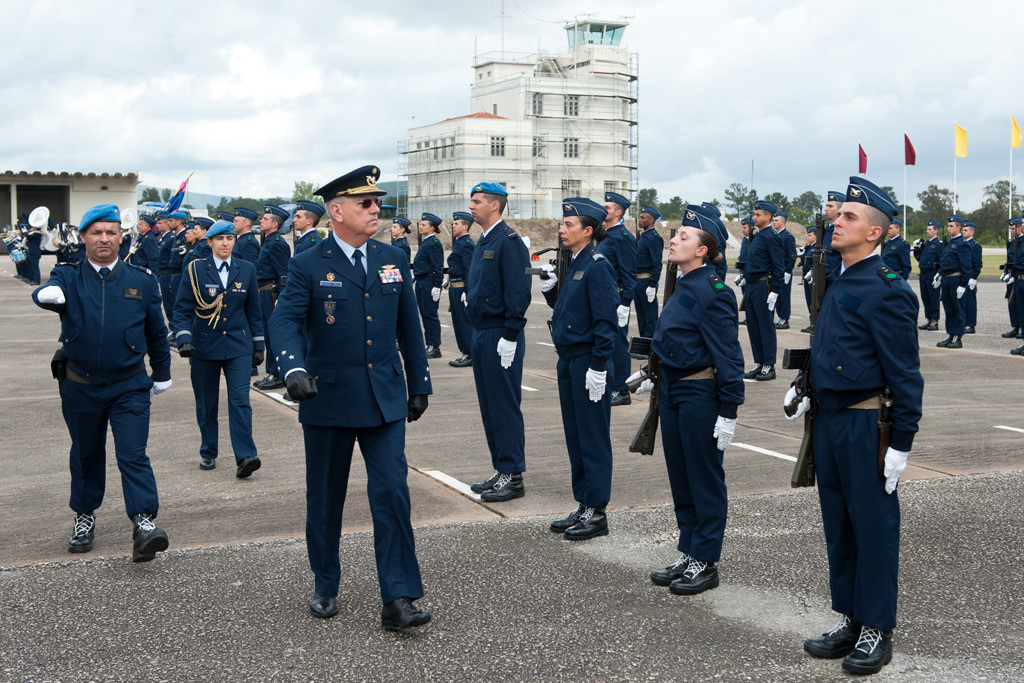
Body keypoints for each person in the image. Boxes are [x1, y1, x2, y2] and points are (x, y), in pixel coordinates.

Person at [268, 165, 432, 630]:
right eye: (365, 203)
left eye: (377, 201)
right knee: (325, 498)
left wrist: (419, 382)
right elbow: (283, 322)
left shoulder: (393, 257)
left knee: (392, 493)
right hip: (329, 399)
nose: (375, 209)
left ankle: (398, 597)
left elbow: (409, 327)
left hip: (384, 399)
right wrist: (293, 366)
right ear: (336, 211)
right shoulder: (308, 263)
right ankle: (325, 581)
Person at [790, 177, 922, 676]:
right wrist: (806, 384)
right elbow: (833, 348)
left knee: (873, 529)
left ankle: (876, 628)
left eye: (848, 217)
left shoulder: (886, 289)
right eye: (837, 214)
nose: (835, 221)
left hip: (867, 427)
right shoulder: (839, 278)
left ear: (874, 234)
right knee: (839, 528)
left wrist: (901, 442)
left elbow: (905, 373)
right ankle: (849, 618)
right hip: (829, 420)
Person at [32, 204, 172, 562]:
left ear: (121, 237)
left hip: (129, 386)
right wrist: (46, 296)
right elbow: (47, 291)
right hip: (81, 385)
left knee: (132, 453)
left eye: (111, 232)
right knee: (85, 453)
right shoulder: (68, 276)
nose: (105, 239)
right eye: (96, 232)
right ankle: (84, 515)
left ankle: (143, 522)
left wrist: (162, 372)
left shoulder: (140, 281)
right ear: (83, 238)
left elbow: (156, 333)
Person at [637, 208, 744, 597]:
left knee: (704, 478)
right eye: (675, 234)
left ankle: (706, 560)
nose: (674, 240)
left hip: (700, 394)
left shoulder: (714, 293)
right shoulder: (682, 284)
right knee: (681, 478)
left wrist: (729, 411)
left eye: (683, 236)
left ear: (703, 250)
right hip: (674, 391)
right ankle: (689, 549)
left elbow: (729, 356)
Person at [540, 198, 618, 540]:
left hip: (588, 360)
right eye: (561, 223)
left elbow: (605, 321)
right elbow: (570, 310)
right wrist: (549, 293)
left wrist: (599, 366)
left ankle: (597, 510)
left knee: (592, 436)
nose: (561, 229)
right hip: (569, 359)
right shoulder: (574, 262)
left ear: (588, 231)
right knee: (575, 435)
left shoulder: (598, 265)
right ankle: (584, 503)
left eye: (568, 225)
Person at [172, 220, 264, 476]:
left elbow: (254, 311)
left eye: (230, 238)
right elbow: (180, 310)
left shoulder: (245, 269)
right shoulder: (195, 270)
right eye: (220, 239)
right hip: (203, 344)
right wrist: (184, 338)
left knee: (240, 401)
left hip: (238, 345)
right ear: (209, 242)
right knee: (207, 402)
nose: (226, 243)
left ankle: (246, 456)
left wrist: (258, 345)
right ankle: (208, 451)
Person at [465, 182, 532, 502]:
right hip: (480, 332)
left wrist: (511, 333)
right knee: (490, 405)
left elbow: (519, 291)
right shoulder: (484, 240)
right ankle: (502, 467)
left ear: (495, 205)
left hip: (499, 334)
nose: (471, 206)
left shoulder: (509, 241)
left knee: (503, 405)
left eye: (477, 202)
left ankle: (513, 474)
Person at [598, 192, 638, 406]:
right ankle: (609, 385)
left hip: (617, 299)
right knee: (605, 342)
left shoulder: (623, 237)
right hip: (605, 297)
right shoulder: (606, 235)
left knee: (618, 345)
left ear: (618, 212)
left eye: (607, 207)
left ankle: (621, 390)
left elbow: (629, 274)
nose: (603, 209)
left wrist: (625, 304)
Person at [742, 200, 784, 381]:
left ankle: (769, 365)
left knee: (765, 326)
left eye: (758, 215)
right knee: (753, 325)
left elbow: (778, 265)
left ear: (768, 216)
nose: (754, 217)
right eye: (754, 214)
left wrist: (775, 289)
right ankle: (759, 362)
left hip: (763, 286)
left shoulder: (771, 237)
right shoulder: (757, 236)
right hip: (751, 285)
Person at [252, 204, 292, 389]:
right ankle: (272, 372)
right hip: (263, 292)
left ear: (275, 225)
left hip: (271, 293)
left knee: (271, 334)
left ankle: (276, 373)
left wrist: (280, 299)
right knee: (266, 334)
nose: (261, 220)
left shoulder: (277, 243)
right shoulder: (268, 240)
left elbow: (284, 274)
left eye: (266, 219)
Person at [936, 214, 971, 348]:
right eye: (948, 226)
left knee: (958, 308)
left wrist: (963, 284)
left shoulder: (962, 244)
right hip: (947, 279)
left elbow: (966, 266)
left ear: (959, 227)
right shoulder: (950, 243)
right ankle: (950, 334)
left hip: (956, 279)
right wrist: (939, 274)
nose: (949, 228)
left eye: (951, 226)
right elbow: (946, 261)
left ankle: (958, 336)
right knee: (949, 308)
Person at [413, 213, 445, 358]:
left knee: (430, 315)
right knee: (425, 314)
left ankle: (435, 346)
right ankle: (429, 344)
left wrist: (437, 285)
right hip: (421, 281)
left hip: (429, 282)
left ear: (432, 228)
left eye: (424, 225)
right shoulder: (426, 242)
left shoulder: (433, 243)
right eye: (421, 224)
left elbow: (437, 266)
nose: (421, 226)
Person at [447, 211, 476, 368]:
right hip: (454, 288)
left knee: (464, 322)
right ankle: (464, 351)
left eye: (456, 223)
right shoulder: (459, 242)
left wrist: (468, 291)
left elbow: (469, 270)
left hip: (461, 289)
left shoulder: (467, 244)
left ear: (465, 226)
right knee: (458, 321)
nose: (453, 225)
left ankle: (470, 353)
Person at [633, 205, 664, 339]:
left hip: (646, 281)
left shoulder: (654, 237)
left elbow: (656, 263)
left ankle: (650, 345)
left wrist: (652, 284)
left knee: (650, 315)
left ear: (651, 220)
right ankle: (642, 343)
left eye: (642, 218)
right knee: (641, 314)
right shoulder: (644, 236)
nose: (639, 220)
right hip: (637, 280)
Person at [913, 220, 943, 330]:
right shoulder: (926, 244)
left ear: (936, 231)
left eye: (930, 229)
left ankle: (935, 320)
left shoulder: (938, 245)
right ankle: (929, 319)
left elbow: (942, 261)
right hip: (923, 273)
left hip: (932, 273)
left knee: (933, 297)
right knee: (925, 297)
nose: (927, 231)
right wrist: (916, 249)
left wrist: (939, 275)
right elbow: (920, 258)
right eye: (927, 229)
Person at [771, 211, 796, 330]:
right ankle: (780, 317)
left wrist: (788, 270)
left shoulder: (788, 237)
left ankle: (784, 318)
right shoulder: (774, 235)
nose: (774, 222)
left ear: (783, 222)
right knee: (777, 295)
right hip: (776, 270)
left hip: (784, 270)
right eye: (773, 220)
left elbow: (792, 255)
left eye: (776, 220)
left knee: (784, 296)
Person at [1002, 217, 1022, 341]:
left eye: (1013, 228)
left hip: (1018, 275)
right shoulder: (1013, 242)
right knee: (1012, 302)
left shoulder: (1021, 242)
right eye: (1010, 228)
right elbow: (1010, 259)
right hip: (1011, 276)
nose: (1011, 231)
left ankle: (1021, 327)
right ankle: (1015, 326)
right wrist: (1006, 272)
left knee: (1019, 304)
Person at [961, 220, 982, 334]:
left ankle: (970, 324)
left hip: (969, 278)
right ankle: (963, 322)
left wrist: (974, 277)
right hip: (962, 277)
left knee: (970, 302)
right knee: (962, 301)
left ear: (972, 232)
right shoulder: (962, 244)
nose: (963, 232)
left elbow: (977, 264)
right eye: (962, 230)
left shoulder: (975, 246)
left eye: (966, 230)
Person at [798, 225, 818, 332]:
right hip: (806, 277)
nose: (807, 237)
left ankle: (814, 324)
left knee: (813, 302)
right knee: (809, 300)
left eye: (810, 235)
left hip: (812, 278)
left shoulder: (816, 248)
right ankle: (812, 323)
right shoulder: (810, 247)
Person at [734, 217, 752, 324]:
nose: (742, 229)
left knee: (749, 297)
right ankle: (747, 317)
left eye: (745, 227)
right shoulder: (745, 240)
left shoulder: (753, 239)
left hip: (749, 272)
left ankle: (750, 317)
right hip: (742, 271)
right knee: (745, 296)